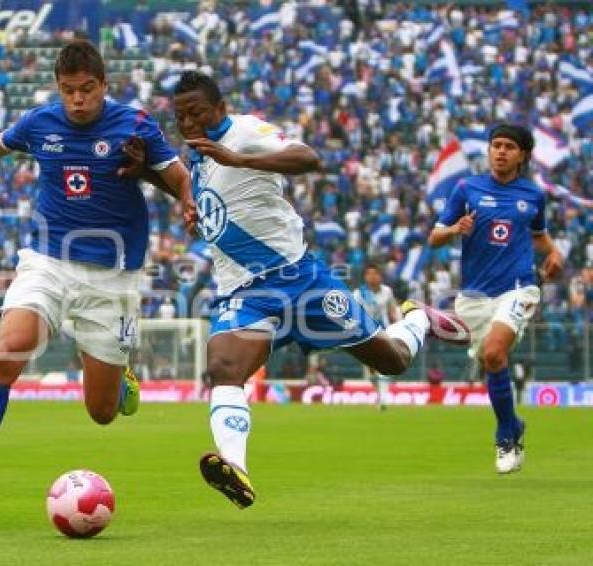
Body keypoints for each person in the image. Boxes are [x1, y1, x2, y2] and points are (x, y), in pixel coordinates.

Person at [129, 71, 470, 509]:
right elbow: (202, 193)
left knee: (392, 361)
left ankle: (419, 318)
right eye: (180, 117)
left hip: (301, 281)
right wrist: (145, 172)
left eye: (196, 113)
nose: (189, 124)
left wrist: (241, 159)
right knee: (224, 368)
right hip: (245, 291)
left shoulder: (246, 133)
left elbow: (307, 158)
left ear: (219, 108)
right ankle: (236, 469)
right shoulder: (199, 154)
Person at [0, 40, 194, 520]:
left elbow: (177, 174)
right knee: (6, 353)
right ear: (58, 88)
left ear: (104, 85)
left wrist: (187, 200)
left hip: (113, 277)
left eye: (87, 90)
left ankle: (121, 383)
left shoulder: (134, 124)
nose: (77, 100)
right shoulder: (41, 122)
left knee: (101, 412)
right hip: (47, 261)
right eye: (68, 91)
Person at [428, 123, 564, 474]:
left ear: (522, 155)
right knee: (493, 361)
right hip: (474, 295)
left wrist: (555, 254)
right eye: (496, 145)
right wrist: (455, 229)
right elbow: (434, 238)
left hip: (518, 286)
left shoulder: (533, 195)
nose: (501, 151)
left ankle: (505, 437)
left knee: (493, 352)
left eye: (509, 146)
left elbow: (539, 236)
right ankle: (514, 424)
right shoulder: (466, 189)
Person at [353, 264, 401, 410]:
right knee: (370, 369)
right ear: (365, 276)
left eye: (375, 273)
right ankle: (380, 393)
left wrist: (399, 324)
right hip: (366, 334)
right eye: (369, 274)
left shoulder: (387, 291)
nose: (372, 277)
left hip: (384, 332)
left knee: (383, 364)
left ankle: (383, 398)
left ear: (380, 276)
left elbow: (393, 309)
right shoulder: (359, 293)